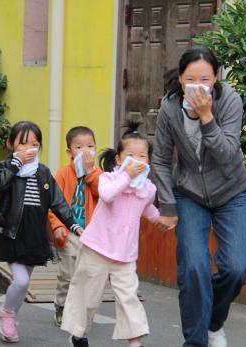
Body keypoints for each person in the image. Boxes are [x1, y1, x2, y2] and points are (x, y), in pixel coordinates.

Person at [152, 45, 246, 347]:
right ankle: (195, 342)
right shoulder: (170, 107)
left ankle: (212, 321)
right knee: (193, 268)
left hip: (231, 192)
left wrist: (207, 116)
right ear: (181, 79)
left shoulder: (230, 101)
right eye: (191, 79)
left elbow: (227, 156)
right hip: (190, 195)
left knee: (236, 268)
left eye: (206, 79)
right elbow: (159, 159)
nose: (198, 86)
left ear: (217, 77)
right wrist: (167, 205)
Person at [61, 121, 161, 347]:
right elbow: (106, 195)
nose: (137, 160)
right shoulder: (109, 179)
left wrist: (164, 219)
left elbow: (148, 210)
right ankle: (78, 334)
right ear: (118, 159)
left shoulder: (147, 189)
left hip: (125, 255)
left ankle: (134, 342)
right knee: (87, 297)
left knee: (129, 299)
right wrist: (125, 176)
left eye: (143, 156)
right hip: (96, 249)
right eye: (131, 155)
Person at [0, 121, 83, 343]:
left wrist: (73, 224)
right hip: (11, 234)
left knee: (25, 282)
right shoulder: (4, 167)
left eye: (34, 143)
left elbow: (58, 202)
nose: (29, 148)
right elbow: (1, 184)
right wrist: (15, 165)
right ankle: (7, 313)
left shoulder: (42, 172)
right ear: (10, 145)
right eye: (22, 143)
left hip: (34, 235)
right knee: (20, 281)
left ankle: (10, 315)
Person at [48, 126, 102, 327]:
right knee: (68, 275)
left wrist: (90, 173)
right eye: (79, 146)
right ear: (69, 151)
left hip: (92, 235)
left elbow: (103, 194)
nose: (85, 151)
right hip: (68, 233)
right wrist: (56, 226)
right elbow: (52, 204)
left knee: (88, 275)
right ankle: (61, 305)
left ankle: (79, 310)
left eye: (90, 146)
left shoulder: (98, 174)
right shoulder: (62, 174)